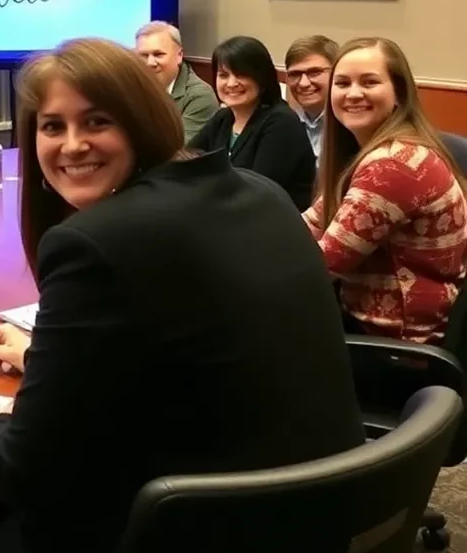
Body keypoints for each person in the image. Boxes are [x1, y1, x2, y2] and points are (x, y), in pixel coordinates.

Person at [0, 39, 363, 553]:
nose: (72, 145)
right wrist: (48, 358)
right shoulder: (260, 192)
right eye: (52, 126)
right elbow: (183, 341)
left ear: (142, 118)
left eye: (97, 120)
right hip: (320, 531)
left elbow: (26, 474)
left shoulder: (95, 242)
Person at [304, 37, 467, 343]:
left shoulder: (393, 166)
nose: (353, 93)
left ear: (398, 94)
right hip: (368, 327)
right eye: (342, 83)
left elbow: (317, 268)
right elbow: (309, 224)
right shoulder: (377, 154)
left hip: (395, 348)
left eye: (369, 82)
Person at [190, 35, 316, 209]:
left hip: (272, 223)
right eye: (223, 75)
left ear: (262, 79)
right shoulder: (224, 118)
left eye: (241, 75)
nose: (231, 83)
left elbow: (255, 194)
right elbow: (185, 160)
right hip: (226, 214)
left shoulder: (281, 122)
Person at [134, 20, 218, 141]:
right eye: (143, 56)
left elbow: (180, 149)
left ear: (179, 55)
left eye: (158, 54)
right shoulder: (130, 87)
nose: (150, 63)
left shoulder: (200, 96)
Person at [284, 34, 339, 160]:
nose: (303, 83)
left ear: (337, 73)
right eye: (295, 74)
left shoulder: (351, 125)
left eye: (314, 72)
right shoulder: (286, 124)